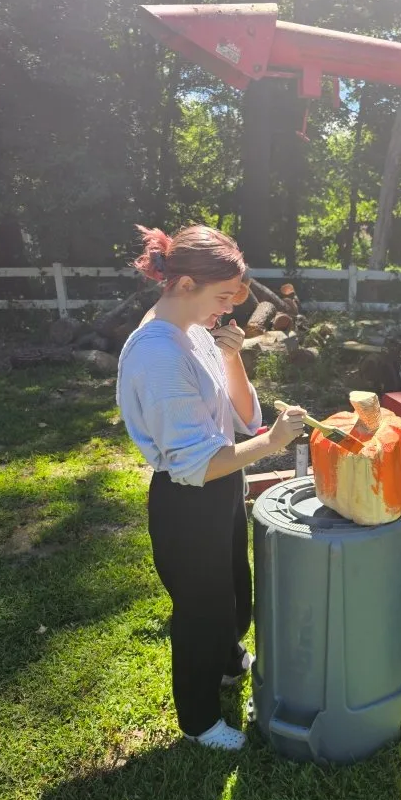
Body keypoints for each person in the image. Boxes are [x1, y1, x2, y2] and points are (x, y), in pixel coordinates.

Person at [116, 224, 306, 751]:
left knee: (232, 590)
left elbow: (245, 416)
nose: (229, 309)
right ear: (184, 285)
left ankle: (228, 660)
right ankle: (199, 722)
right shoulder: (159, 353)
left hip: (221, 483)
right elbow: (195, 463)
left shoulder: (195, 331)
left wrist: (232, 357)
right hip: (188, 498)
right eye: (223, 297)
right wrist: (273, 443)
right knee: (201, 611)